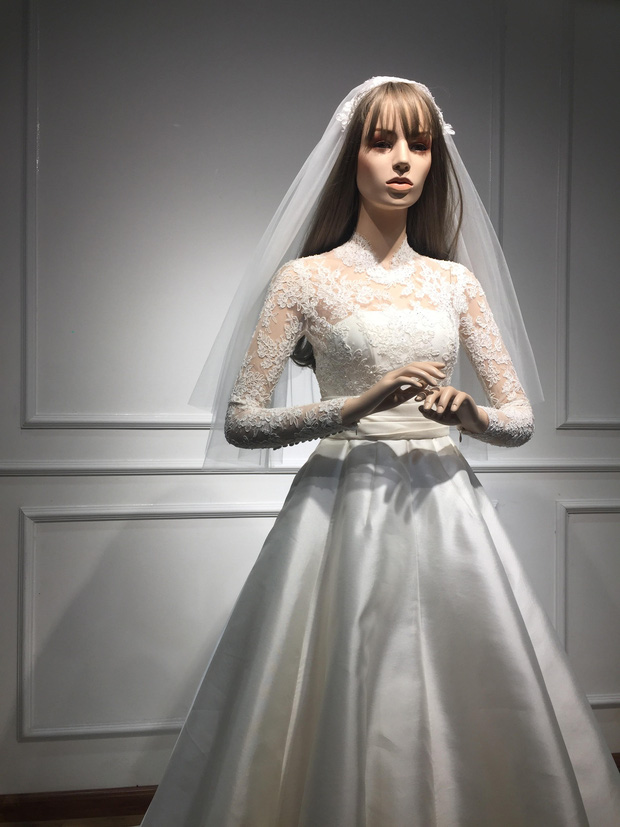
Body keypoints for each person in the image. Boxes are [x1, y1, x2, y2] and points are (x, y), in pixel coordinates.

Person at [141, 79, 620, 826]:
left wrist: (470, 414)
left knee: (475, 682)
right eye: (382, 141)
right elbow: (242, 420)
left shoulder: (455, 284)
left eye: (419, 146)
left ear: (434, 161)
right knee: (342, 677)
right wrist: (359, 404)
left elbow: (520, 418)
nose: (402, 160)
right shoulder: (304, 280)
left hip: (445, 505)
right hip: (342, 505)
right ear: (351, 156)